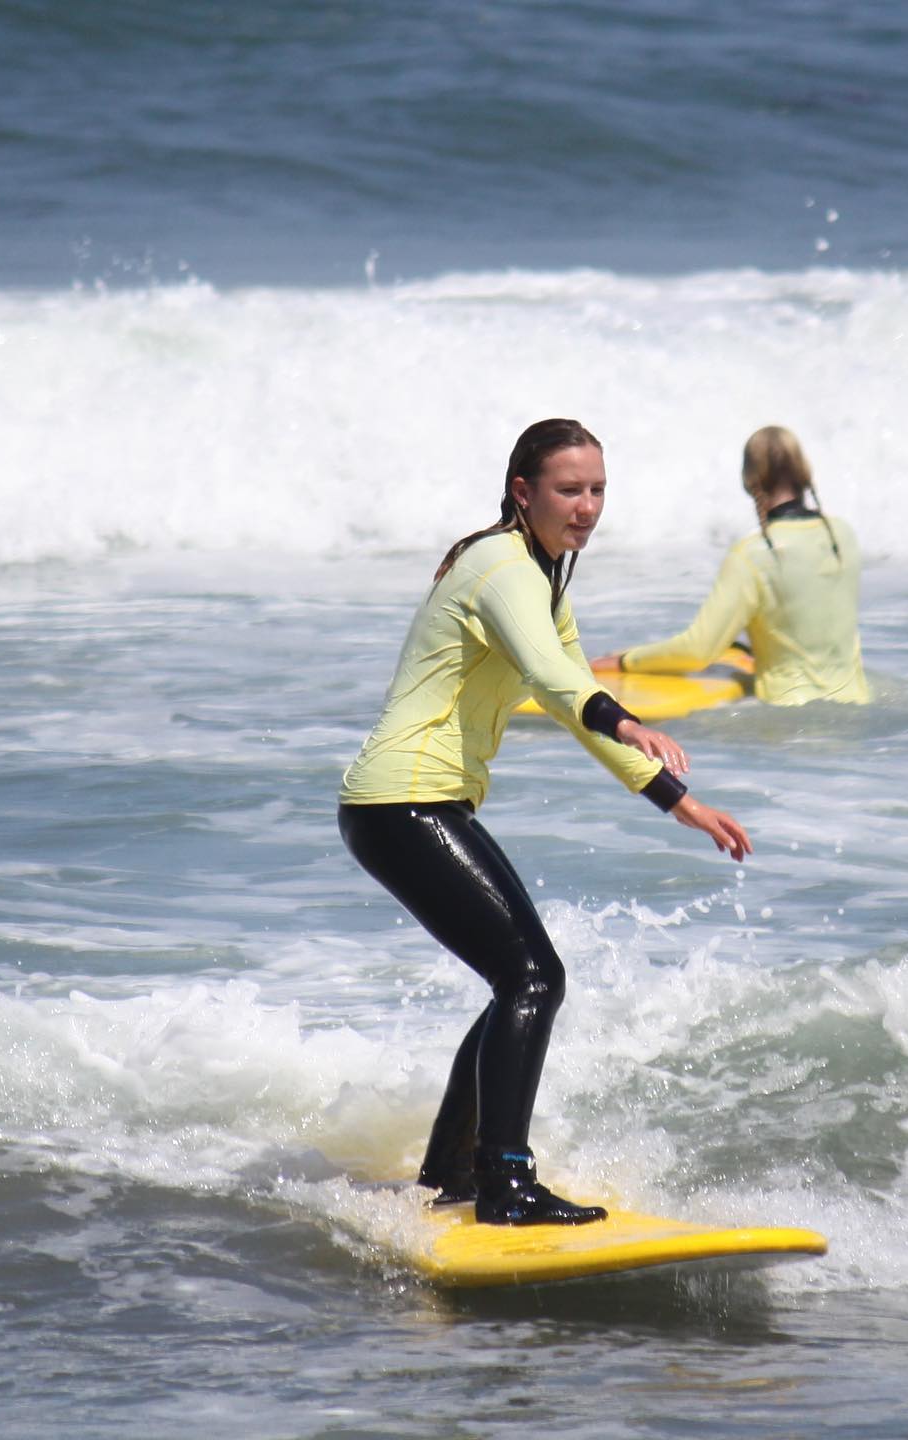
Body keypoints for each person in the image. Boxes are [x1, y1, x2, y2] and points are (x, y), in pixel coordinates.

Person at [338, 418, 751, 1227]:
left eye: (598, 490)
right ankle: (505, 1186)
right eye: (570, 490)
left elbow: (567, 702)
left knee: (515, 982)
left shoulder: (544, 572)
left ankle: (456, 1171)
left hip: (415, 803)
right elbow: (557, 682)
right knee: (533, 978)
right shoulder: (502, 567)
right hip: (401, 799)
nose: (587, 507)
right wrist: (626, 719)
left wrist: (679, 802)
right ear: (523, 492)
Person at [593, 426, 871, 706]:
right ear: (804, 470)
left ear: (749, 480)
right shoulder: (843, 536)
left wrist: (625, 660)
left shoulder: (753, 555)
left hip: (788, 724)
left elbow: (698, 649)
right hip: (857, 708)